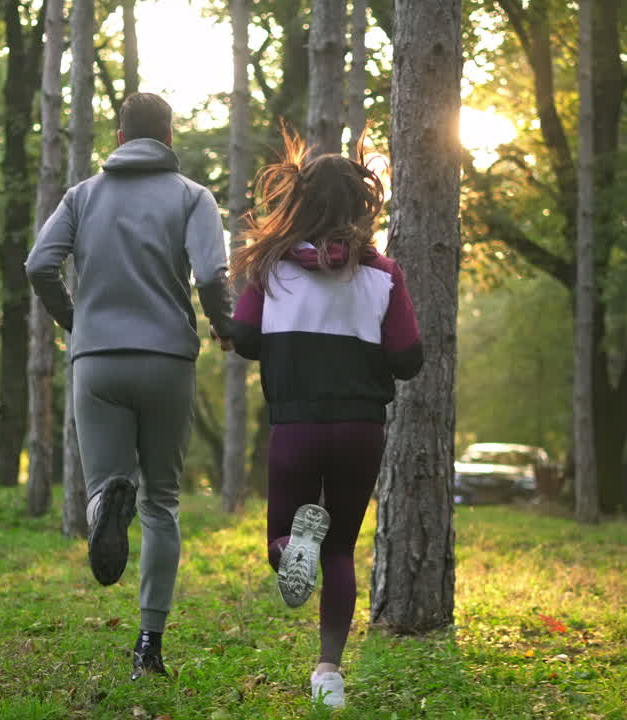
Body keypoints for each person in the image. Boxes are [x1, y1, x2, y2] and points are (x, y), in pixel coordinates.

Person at [25, 92, 233, 681]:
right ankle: (149, 643)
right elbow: (212, 275)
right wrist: (225, 325)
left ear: (118, 138)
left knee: (104, 484)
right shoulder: (193, 197)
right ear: (169, 139)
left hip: (98, 360)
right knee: (162, 502)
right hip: (166, 358)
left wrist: (77, 322)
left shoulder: (82, 196)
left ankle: (105, 502)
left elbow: (39, 264)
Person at [227, 131, 423, 708]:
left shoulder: (269, 266)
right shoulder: (384, 276)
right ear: (362, 208)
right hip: (360, 429)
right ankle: (329, 675)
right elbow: (409, 360)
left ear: (299, 202)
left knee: (282, 542)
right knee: (339, 549)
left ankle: (292, 548)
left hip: (296, 426)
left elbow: (243, 340)